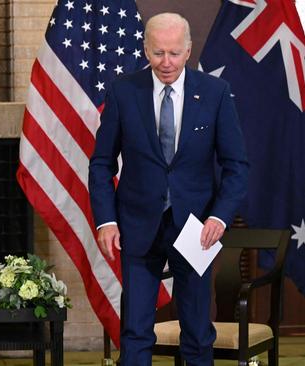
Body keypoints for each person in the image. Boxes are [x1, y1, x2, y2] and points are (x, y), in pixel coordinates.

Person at [89, 13, 249, 366]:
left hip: (197, 229)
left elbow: (236, 167)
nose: (166, 63)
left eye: (174, 53)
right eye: (158, 53)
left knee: (197, 333)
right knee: (135, 332)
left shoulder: (215, 93)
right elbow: (101, 163)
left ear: (188, 50)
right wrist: (106, 221)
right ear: (145, 50)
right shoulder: (123, 91)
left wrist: (220, 217)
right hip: (137, 225)